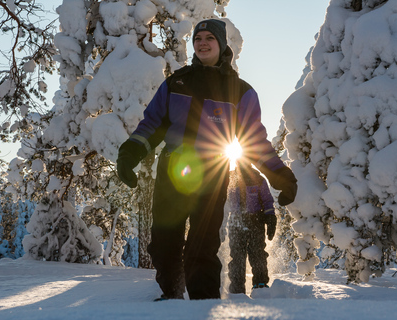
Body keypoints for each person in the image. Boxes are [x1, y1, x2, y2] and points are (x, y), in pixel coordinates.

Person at [117, 18, 297, 300]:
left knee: (202, 245)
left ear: (222, 45)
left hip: (211, 174)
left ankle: (204, 304)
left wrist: (280, 176)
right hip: (172, 170)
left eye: (209, 38)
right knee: (164, 241)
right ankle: (172, 297)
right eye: (198, 38)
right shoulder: (177, 82)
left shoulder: (240, 91)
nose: (202, 43)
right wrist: (130, 153)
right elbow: (151, 125)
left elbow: (254, 141)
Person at [226, 160, 276, 294]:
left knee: (258, 253)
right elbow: (221, 199)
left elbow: (267, 201)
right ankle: (237, 289)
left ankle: (260, 285)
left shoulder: (258, 179)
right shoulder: (230, 178)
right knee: (237, 255)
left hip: (256, 221)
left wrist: (270, 217)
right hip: (236, 221)